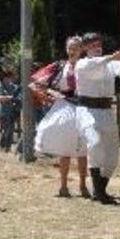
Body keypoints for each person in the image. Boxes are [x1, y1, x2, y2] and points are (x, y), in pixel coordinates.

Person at [74, 33, 120, 204]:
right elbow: (94, 65)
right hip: (88, 111)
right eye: (92, 45)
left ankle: (100, 190)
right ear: (85, 48)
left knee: (112, 153)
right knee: (95, 146)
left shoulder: (109, 64)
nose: (96, 48)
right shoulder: (82, 64)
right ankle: (99, 193)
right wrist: (112, 57)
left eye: (98, 44)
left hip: (106, 110)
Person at [30, 36, 90, 197]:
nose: (72, 51)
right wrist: (50, 94)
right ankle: (63, 187)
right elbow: (35, 83)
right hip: (64, 108)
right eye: (70, 47)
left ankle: (83, 186)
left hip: (83, 108)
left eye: (76, 48)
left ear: (82, 49)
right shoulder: (59, 66)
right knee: (65, 150)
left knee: (83, 150)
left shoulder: (88, 65)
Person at [0, 71, 21, 153]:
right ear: (4, 78)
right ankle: (2, 146)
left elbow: (18, 92)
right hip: (4, 112)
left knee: (11, 130)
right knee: (5, 130)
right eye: (9, 77)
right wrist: (10, 97)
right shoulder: (0, 86)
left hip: (12, 111)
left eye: (11, 77)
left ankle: (8, 147)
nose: (10, 79)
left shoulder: (12, 86)